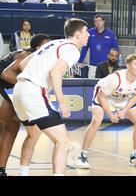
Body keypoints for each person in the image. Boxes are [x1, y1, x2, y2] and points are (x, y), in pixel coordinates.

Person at [12, 18, 89, 176]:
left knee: (33, 134)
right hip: (33, 92)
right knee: (63, 141)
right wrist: (61, 102)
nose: (88, 35)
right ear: (77, 34)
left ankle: (23, 173)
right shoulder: (73, 49)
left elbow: (22, 64)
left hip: (19, 89)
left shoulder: (52, 43)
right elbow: (55, 73)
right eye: (86, 32)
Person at [76, 54, 136, 169]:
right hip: (105, 97)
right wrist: (111, 114)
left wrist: (124, 110)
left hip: (123, 98)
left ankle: (135, 155)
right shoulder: (116, 78)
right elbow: (102, 97)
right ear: (128, 65)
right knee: (97, 120)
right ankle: (82, 155)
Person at [0, 34, 50, 176]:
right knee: (11, 125)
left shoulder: (36, 56)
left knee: (11, 126)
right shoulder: (28, 55)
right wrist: (30, 84)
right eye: (47, 44)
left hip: (6, 90)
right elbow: (6, 75)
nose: (50, 47)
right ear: (39, 47)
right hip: (2, 85)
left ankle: (1, 169)